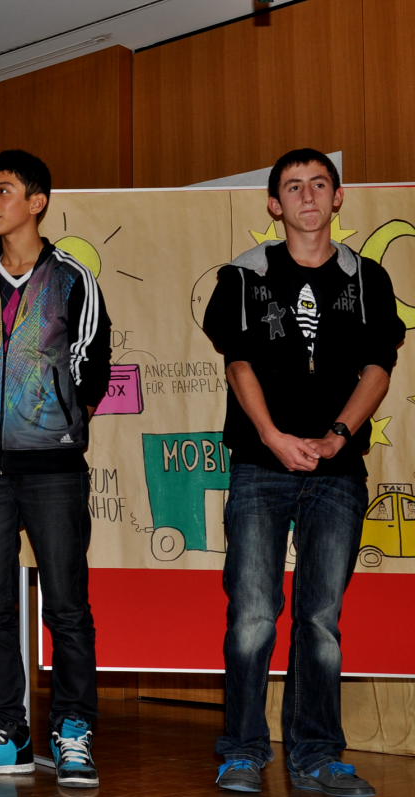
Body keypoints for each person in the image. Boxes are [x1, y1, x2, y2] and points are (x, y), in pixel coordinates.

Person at [203, 149, 404, 796]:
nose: (308, 195)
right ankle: (242, 751)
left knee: (320, 619)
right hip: (260, 466)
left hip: (338, 472)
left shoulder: (369, 278)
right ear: (274, 204)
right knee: (253, 614)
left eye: (320, 184)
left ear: (338, 197)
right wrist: (273, 436)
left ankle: (317, 755)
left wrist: (337, 436)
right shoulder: (244, 275)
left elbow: (378, 369)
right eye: (293, 186)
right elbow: (238, 364)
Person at [0, 150, 111, 788]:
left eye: (3, 191)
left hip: (54, 467)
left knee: (66, 605)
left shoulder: (72, 278)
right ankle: (6, 733)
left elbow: (92, 365)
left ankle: (74, 731)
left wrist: (54, 422)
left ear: (37, 203)